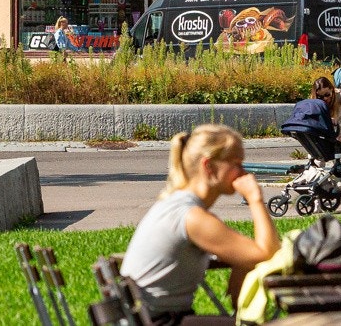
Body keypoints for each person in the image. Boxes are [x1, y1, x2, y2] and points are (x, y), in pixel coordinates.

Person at [120, 125, 280, 325]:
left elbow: (251, 255)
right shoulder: (192, 217)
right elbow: (268, 253)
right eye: (237, 163)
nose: (244, 172)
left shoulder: (176, 204)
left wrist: (243, 261)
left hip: (148, 318)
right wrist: (255, 199)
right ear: (209, 166)